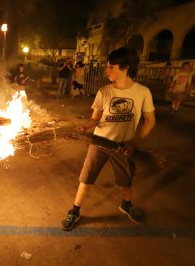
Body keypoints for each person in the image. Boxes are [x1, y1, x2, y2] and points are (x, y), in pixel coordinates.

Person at [61, 48, 156, 231]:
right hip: (99, 142)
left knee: (126, 179)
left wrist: (135, 143)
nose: (107, 70)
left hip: (123, 146)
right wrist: (85, 126)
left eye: (111, 67)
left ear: (125, 68)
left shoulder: (143, 92)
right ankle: (75, 210)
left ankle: (126, 205)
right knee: (86, 177)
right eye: (107, 67)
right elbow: (95, 119)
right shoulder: (104, 91)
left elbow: (150, 121)